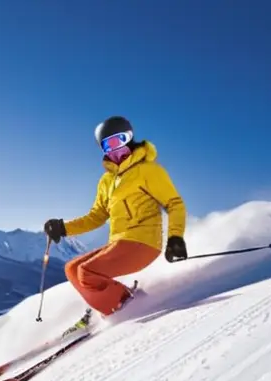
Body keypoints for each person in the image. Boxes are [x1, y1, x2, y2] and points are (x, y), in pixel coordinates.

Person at [43, 116, 188, 319]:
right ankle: (111, 301)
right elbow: (97, 216)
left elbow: (174, 204)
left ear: (129, 138)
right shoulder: (106, 181)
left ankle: (124, 304)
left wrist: (175, 237)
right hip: (119, 243)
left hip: (143, 242)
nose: (115, 148)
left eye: (119, 140)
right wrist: (63, 228)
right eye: (108, 144)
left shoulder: (148, 171)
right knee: (73, 269)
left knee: (86, 272)